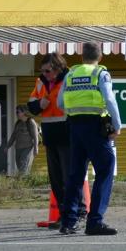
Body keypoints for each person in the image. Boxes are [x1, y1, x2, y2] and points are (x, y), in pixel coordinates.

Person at [57, 42, 122, 236]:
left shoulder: (71, 73)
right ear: (100, 57)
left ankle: (68, 222)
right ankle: (94, 221)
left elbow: (60, 102)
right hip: (95, 127)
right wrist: (117, 125)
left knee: (75, 174)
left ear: (82, 56)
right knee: (105, 169)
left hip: (74, 126)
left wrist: (74, 114)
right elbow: (110, 99)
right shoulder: (100, 74)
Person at [27, 53, 85, 228]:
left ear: (58, 68)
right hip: (51, 135)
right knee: (56, 180)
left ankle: (79, 213)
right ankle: (64, 214)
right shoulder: (41, 82)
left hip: (67, 133)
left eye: (48, 70)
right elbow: (31, 105)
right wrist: (39, 105)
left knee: (70, 177)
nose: (45, 74)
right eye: (42, 71)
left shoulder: (70, 79)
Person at [2, 104, 39, 177]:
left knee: (24, 166)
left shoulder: (31, 122)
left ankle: (23, 184)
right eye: (16, 112)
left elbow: (35, 136)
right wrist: (7, 146)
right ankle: (24, 180)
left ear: (24, 112)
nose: (17, 114)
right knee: (20, 166)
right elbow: (13, 136)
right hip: (18, 148)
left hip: (28, 148)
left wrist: (35, 148)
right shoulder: (18, 123)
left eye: (18, 112)